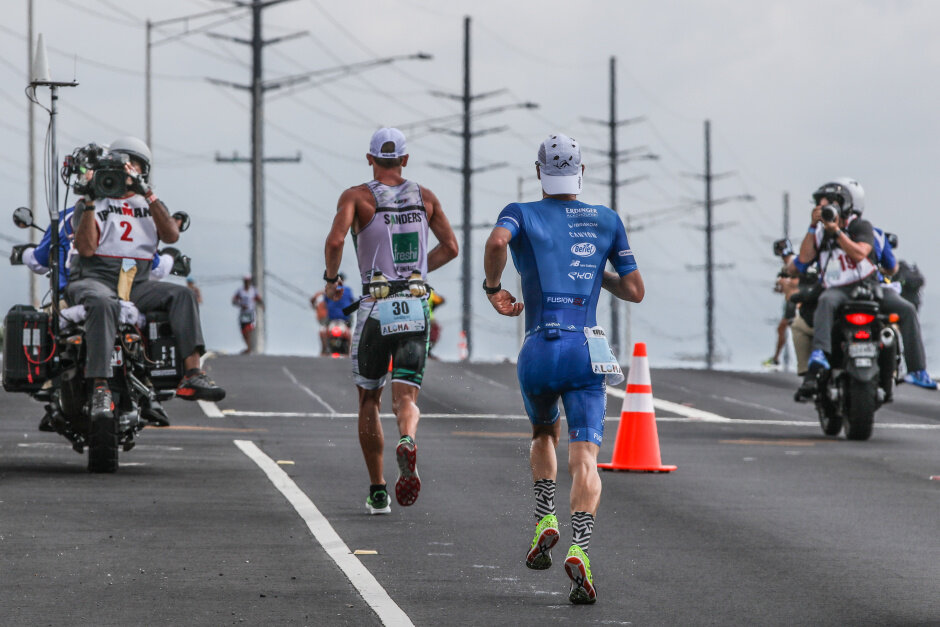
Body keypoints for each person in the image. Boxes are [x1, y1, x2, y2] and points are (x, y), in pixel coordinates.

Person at [483, 133, 644, 605]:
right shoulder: (607, 220)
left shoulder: (520, 212)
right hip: (585, 349)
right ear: (582, 171)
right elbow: (634, 290)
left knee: (542, 433)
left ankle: (545, 517)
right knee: (586, 456)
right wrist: (601, 275)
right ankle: (581, 548)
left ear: (539, 173)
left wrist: (493, 287)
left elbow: (496, 241)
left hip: (538, 346)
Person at [322, 127, 458, 515]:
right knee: (407, 396)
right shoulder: (425, 197)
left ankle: (378, 489)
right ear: (405, 160)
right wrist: (418, 271)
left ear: (369, 159)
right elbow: (451, 248)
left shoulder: (357, 197)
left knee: (369, 397)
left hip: (375, 305)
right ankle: (408, 439)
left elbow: (334, 242)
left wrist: (332, 281)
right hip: (416, 303)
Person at [67, 136, 225, 420]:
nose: (127, 172)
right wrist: (90, 198)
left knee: (183, 295)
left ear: (143, 171)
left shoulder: (148, 205)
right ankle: (100, 386)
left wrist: (148, 194)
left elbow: (171, 235)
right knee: (104, 302)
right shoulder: (93, 200)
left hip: (135, 283)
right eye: (121, 165)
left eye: (134, 166)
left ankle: (192, 373)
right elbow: (87, 248)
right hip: (95, 279)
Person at [794, 178, 936, 398]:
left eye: (831, 204)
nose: (826, 209)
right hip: (838, 289)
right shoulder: (820, 234)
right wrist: (814, 227)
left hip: (868, 286)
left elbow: (860, 253)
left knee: (906, 309)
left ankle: (917, 369)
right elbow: (803, 260)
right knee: (825, 301)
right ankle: (820, 354)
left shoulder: (860, 226)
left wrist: (838, 232)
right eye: (821, 205)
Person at [310, 273, 356, 355]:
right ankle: (349, 352)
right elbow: (352, 301)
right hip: (344, 321)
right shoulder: (348, 290)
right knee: (350, 334)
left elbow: (324, 303)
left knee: (322, 332)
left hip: (332, 321)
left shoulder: (328, 291)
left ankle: (323, 350)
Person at [232, 275, 264, 354]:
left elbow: (259, 299)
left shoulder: (253, 290)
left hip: (250, 313)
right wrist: (240, 304)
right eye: (245, 281)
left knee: (248, 329)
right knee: (243, 331)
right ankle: (248, 347)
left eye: (248, 281)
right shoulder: (240, 291)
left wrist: (262, 306)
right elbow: (234, 301)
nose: (247, 282)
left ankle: (250, 347)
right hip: (243, 313)